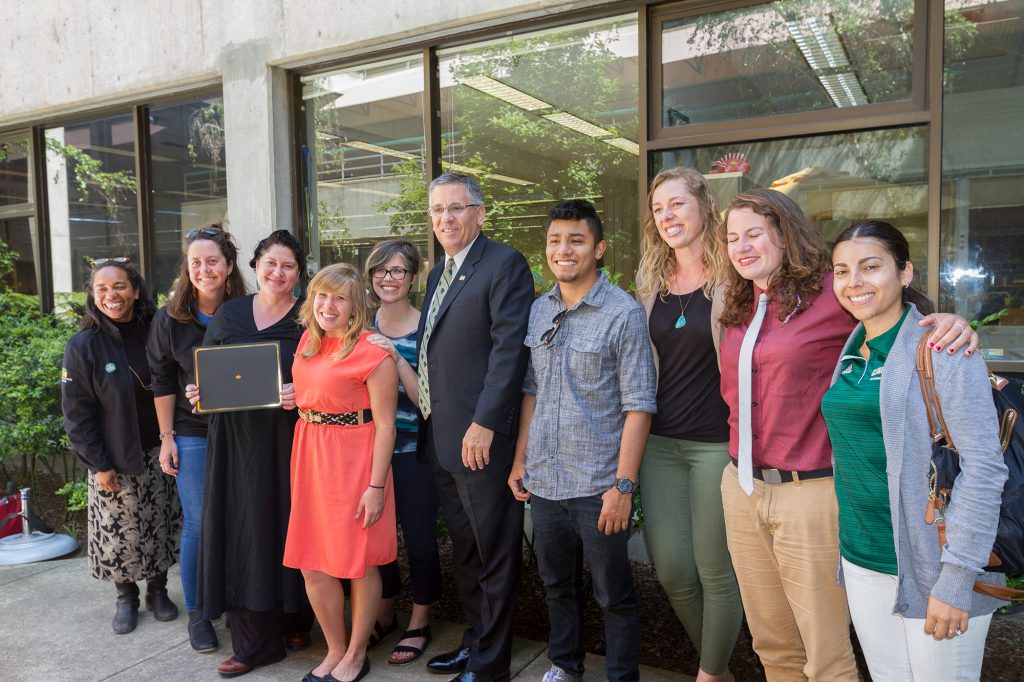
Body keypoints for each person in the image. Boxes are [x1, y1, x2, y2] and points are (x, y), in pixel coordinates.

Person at [714, 188, 979, 681]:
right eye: (732, 238)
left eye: (754, 233)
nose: (742, 246)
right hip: (742, 487)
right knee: (771, 642)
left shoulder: (832, 295)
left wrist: (952, 325)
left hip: (809, 493)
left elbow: (898, 318)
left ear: (785, 233)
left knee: (824, 654)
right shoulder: (737, 303)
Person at [823, 221, 1007, 680]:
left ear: (904, 273)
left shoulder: (942, 348)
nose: (854, 282)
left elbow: (983, 468)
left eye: (871, 267)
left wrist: (958, 579)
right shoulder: (850, 350)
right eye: (842, 271)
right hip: (863, 558)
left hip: (935, 564)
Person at [509, 199, 656, 682]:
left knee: (613, 593)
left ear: (599, 249)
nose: (563, 249)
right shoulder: (539, 310)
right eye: (555, 240)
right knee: (556, 584)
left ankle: (620, 676)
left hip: (597, 484)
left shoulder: (623, 314)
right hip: (545, 478)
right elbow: (531, 391)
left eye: (575, 239)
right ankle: (565, 665)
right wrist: (519, 461)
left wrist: (623, 486)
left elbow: (639, 404)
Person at [417, 172, 534, 682]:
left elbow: (509, 350)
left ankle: (492, 666)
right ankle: (475, 641)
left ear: (481, 214)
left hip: (479, 441)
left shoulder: (504, 264)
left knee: (494, 552)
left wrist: (485, 422)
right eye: (438, 210)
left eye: (457, 208)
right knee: (464, 550)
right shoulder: (437, 273)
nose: (447, 218)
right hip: (441, 438)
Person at [186, 229, 313, 678]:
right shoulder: (230, 312)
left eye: (288, 265)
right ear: (256, 266)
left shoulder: (309, 317)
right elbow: (214, 372)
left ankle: (297, 619)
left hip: (288, 441)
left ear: (299, 274)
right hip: (234, 444)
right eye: (270, 263)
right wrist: (200, 394)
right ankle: (255, 642)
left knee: (287, 526)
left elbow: (327, 373)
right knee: (244, 532)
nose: (278, 272)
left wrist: (304, 391)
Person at [634, 168, 742, 682]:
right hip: (659, 443)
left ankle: (709, 673)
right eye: (659, 209)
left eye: (677, 204)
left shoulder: (736, 277)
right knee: (673, 570)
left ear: (703, 206)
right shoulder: (649, 282)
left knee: (716, 569)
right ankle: (719, 669)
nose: (668, 216)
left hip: (716, 444)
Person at [283, 263, 399, 682]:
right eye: (322, 295)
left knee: (359, 562)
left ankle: (356, 652)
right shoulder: (308, 342)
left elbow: (386, 424)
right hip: (311, 456)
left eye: (339, 298)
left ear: (355, 306)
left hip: (356, 462)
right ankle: (333, 649)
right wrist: (293, 397)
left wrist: (376, 486)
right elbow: (310, 392)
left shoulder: (373, 351)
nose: (328, 305)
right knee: (313, 563)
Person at [61, 258, 181, 635]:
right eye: (102, 289)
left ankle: (158, 591)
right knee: (119, 534)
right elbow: (77, 414)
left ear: (136, 291)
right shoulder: (83, 346)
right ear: (93, 297)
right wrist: (98, 464)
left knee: (159, 525)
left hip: (160, 449)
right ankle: (126, 596)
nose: (112, 295)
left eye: (120, 287)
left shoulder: (155, 331)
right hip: (114, 458)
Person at [148, 223, 246, 652]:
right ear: (187, 269)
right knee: (199, 524)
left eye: (212, 261)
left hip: (244, 431)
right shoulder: (169, 319)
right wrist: (167, 436)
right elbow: (162, 380)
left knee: (243, 519)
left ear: (228, 267)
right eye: (196, 262)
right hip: (193, 432)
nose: (204, 269)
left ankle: (243, 604)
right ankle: (199, 615)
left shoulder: (249, 311)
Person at [363, 239, 442, 666]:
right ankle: (385, 610)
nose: (387, 279)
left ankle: (420, 620)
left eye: (397, 271)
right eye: (380, 270)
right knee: (379, 540)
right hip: (369, 454)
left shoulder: (426, 326)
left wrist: (394, 354)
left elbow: (426, 402)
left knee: (419, 539)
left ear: (412, 278)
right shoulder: (360, 323)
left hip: (414, 453)